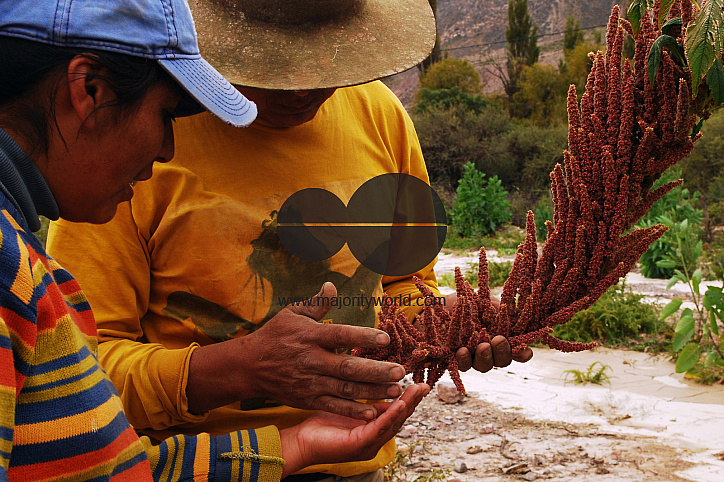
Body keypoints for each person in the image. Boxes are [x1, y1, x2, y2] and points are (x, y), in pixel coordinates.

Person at [47, 0, 533, 480]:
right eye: (274, 66)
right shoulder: (130, 139)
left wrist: (443, 325)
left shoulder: (380, 115)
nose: (302, 91)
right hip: (193, 469)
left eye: (325, 61)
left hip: (353, 465)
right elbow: (78, 372)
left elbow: (401, 284)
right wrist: (237, 369)